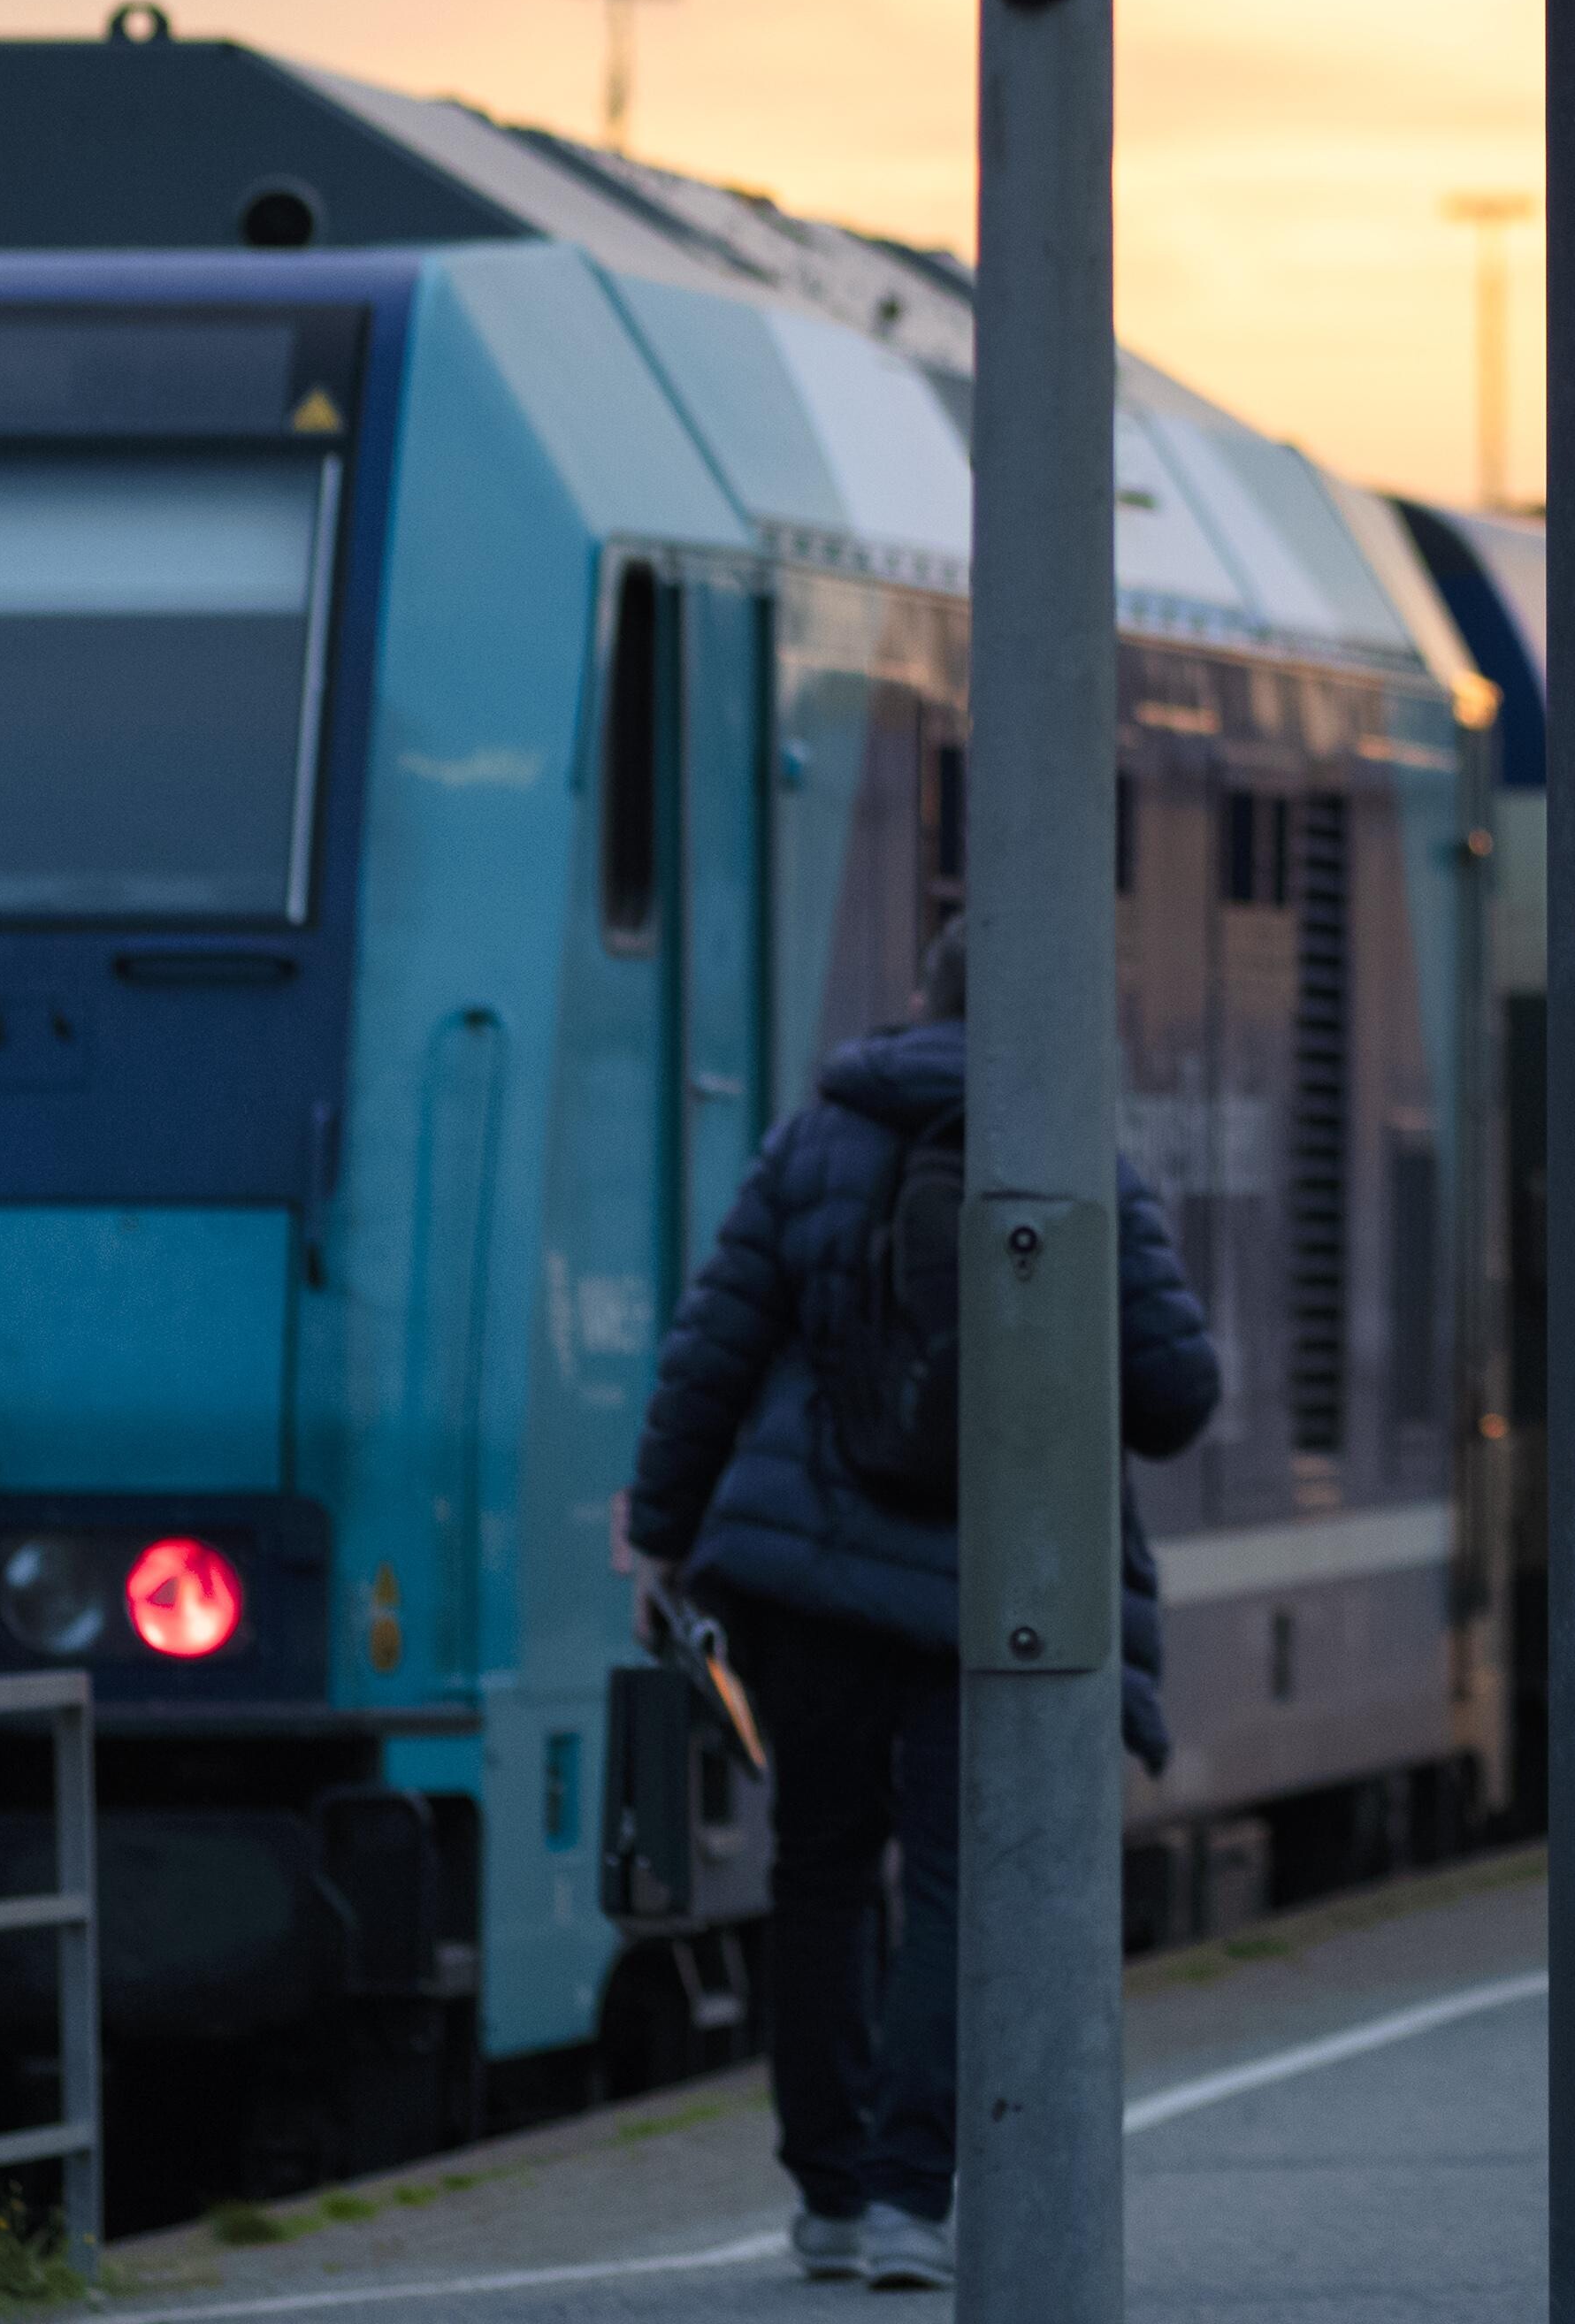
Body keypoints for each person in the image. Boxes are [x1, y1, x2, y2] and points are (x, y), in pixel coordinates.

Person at [621, 924, 1218, 2292]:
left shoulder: (814, 1140)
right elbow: (1181, 1397)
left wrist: (657, 1535)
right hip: (997, 1594)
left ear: (916, 1002)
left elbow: (711, 1349)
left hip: (810, 1588)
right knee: (961, 1883)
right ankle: (907, 2199)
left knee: (821, 1873)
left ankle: (827, 2197)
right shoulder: (1073, 1162)